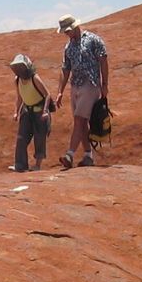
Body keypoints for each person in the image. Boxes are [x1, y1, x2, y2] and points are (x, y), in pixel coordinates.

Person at [55, 15, 108, 168]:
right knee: (81, 123)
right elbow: (65, 69)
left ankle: (69, 155)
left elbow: (103, 61)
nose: (66, 34)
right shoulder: (68, 47)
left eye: (67, 31)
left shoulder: (93, 40)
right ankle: (88, 156)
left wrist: (105, 84)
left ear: (75, 27)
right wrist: (60, 92)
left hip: (90, 84)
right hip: (76, 85)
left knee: (79, 119)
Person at [9, 54, 52, 172]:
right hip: (27, 111)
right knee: (21, 137)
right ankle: (20, 165)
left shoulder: (35, 78)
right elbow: (20, 98)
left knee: (39, 138)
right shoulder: (17, 80)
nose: (19, 70)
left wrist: (45, 111)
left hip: (39, 111)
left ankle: (37, 165)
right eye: (17, 67)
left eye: (21, 67)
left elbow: (47, 95)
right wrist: (16, 112)